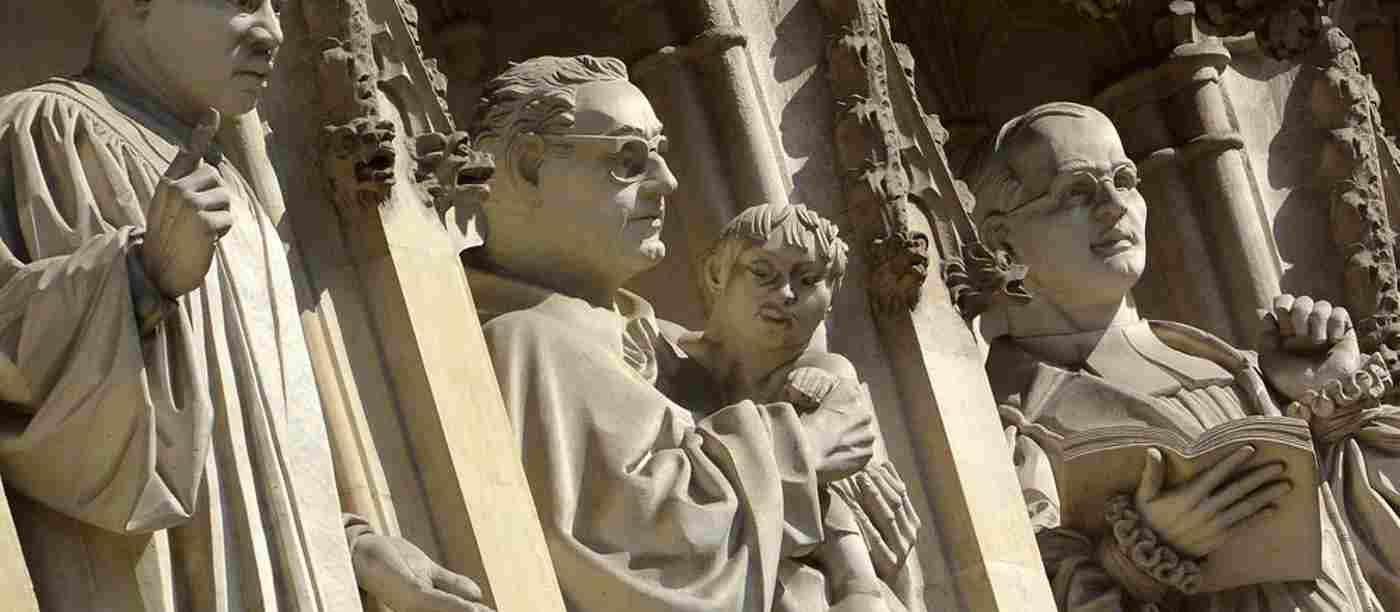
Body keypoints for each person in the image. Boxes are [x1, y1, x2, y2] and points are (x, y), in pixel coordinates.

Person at [0, 1, 489, 610]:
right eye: (242, 2)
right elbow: (24, 376)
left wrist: (346, 547)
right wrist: (141, 277)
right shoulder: (44, 131)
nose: (274, 33)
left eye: (280, 6)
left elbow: (245, 439)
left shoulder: (235, 187)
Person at [466, 55, 893, 612]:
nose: (666, 182)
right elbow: (652, 548)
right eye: (629, 159)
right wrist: (807, 444)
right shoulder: (525, 342)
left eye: (659, 153)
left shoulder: (666, 346)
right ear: (528, 165)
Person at [972, 101, 1390, 611]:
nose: (1113, 205)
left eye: (1124, 179)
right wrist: (1143, 556)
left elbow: (1363, 548)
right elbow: (1004, 586)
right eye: (1076, 190)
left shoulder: (1231, 367)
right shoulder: (1002, 418)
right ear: (1001, 236)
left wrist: (1323, 411)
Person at [658, 202, 924, 612]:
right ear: (716, 274)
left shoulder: (825, 369)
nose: (785, 294)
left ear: (831, 294)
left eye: (808, 280)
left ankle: (858, 591)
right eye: (763, 273)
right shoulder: (665, 353)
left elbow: (873, 516)